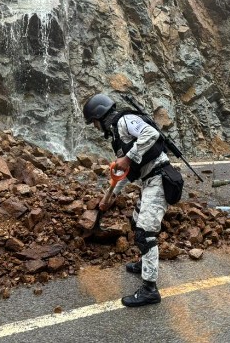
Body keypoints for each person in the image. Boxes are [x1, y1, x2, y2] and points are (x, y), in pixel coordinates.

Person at [83, 93, 169, 307]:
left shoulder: (124, 121)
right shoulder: (117, 134)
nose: (95, 127)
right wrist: (109, 196)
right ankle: (144, 263)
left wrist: (128, 157)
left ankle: (150, 289)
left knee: (145, 233)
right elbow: (124, 172)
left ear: (100, 116)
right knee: (135, 221)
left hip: (159, 178)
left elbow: (151, 133)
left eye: (94, 122)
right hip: (149, 180)